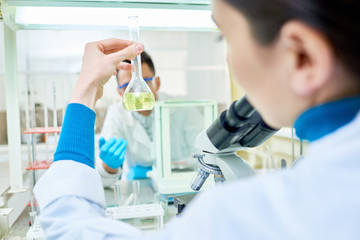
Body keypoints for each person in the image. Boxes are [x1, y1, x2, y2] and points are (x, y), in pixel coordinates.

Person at [33, 0, 360, 239]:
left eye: (227, 37)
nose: (231, 60)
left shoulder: (246, 218)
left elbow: (69, 227)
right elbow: (108, 170)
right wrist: (109, 167)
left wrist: (85, 89)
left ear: (302, 57)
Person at [96, 51, 204, 187]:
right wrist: (109, 166)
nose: (137, 93)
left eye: (144, 82)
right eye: (127, 86)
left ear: (157, 83)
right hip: (137, 190)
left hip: (181, 185)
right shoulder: (117, 113)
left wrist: (161, 170)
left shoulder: (183, 107)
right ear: (120, 92)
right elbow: (103, 180)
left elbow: (205, 155)